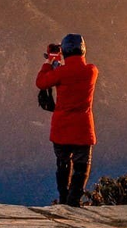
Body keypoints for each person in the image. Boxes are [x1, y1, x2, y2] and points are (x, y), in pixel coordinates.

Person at [36, 34, 98, 207]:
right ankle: (74, 200)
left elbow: (41, 83)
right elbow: (76, 71)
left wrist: (50, 62)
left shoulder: (60, 72)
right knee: (82, 164)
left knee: (62, 163)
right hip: (83, 128)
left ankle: (64, 198)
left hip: (61, 127)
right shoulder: (91, 71)